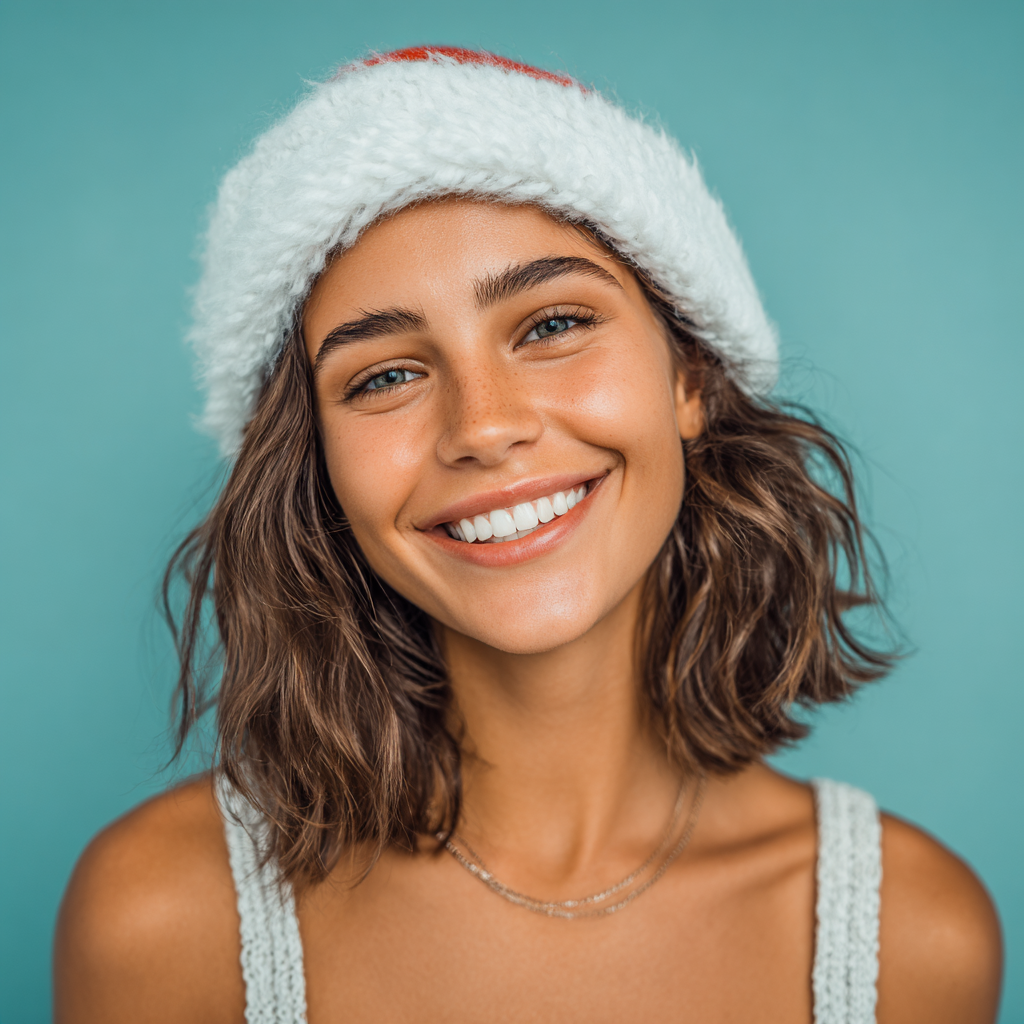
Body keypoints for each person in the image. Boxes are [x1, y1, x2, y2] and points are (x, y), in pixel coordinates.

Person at [53, 47, 1001, 1023]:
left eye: (551, 323)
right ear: (317, 472)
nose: (483, 426)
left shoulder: (911, 938)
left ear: (690, 377)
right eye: (383, 376)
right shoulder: (162, 919)